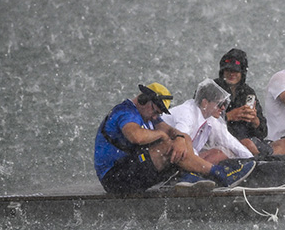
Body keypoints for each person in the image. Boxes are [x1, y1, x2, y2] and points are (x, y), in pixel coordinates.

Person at [94, 82, 256, 193]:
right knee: (167, 145)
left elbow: (172, 131)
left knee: (182, 140)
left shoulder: (150, 114)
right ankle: (220, 174)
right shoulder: (125, 112)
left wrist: (178, 138)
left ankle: (190, 177)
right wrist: (163, 136)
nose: (156, 116)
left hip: (133, 170)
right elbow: (136, 136)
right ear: (144, 100)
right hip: (115, 178)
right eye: (156, 111)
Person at [215, 48, 285, 156]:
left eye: (235, 71)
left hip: (251, 141)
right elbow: (201, 122)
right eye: (228, 70)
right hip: (223, 140)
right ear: (222, 71)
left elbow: (263, 132)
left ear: (242, 73)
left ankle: (263, 158)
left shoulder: (248, 92)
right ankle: (263, 160)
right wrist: (228, 116)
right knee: (247, 144)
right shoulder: (212, 89)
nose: (231, 74)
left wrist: (255, 121)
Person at [161, 79, 253, 163]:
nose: (223, 108)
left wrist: (251, 159)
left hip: (179, 153)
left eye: (225, 104)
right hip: (162, 154)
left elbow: (229, 141)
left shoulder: (209, 116)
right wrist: (201, 165)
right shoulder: (186, 113)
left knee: (223, 152)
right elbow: (181, 142)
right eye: (220, 104)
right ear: (205, 103)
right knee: (217, 156)